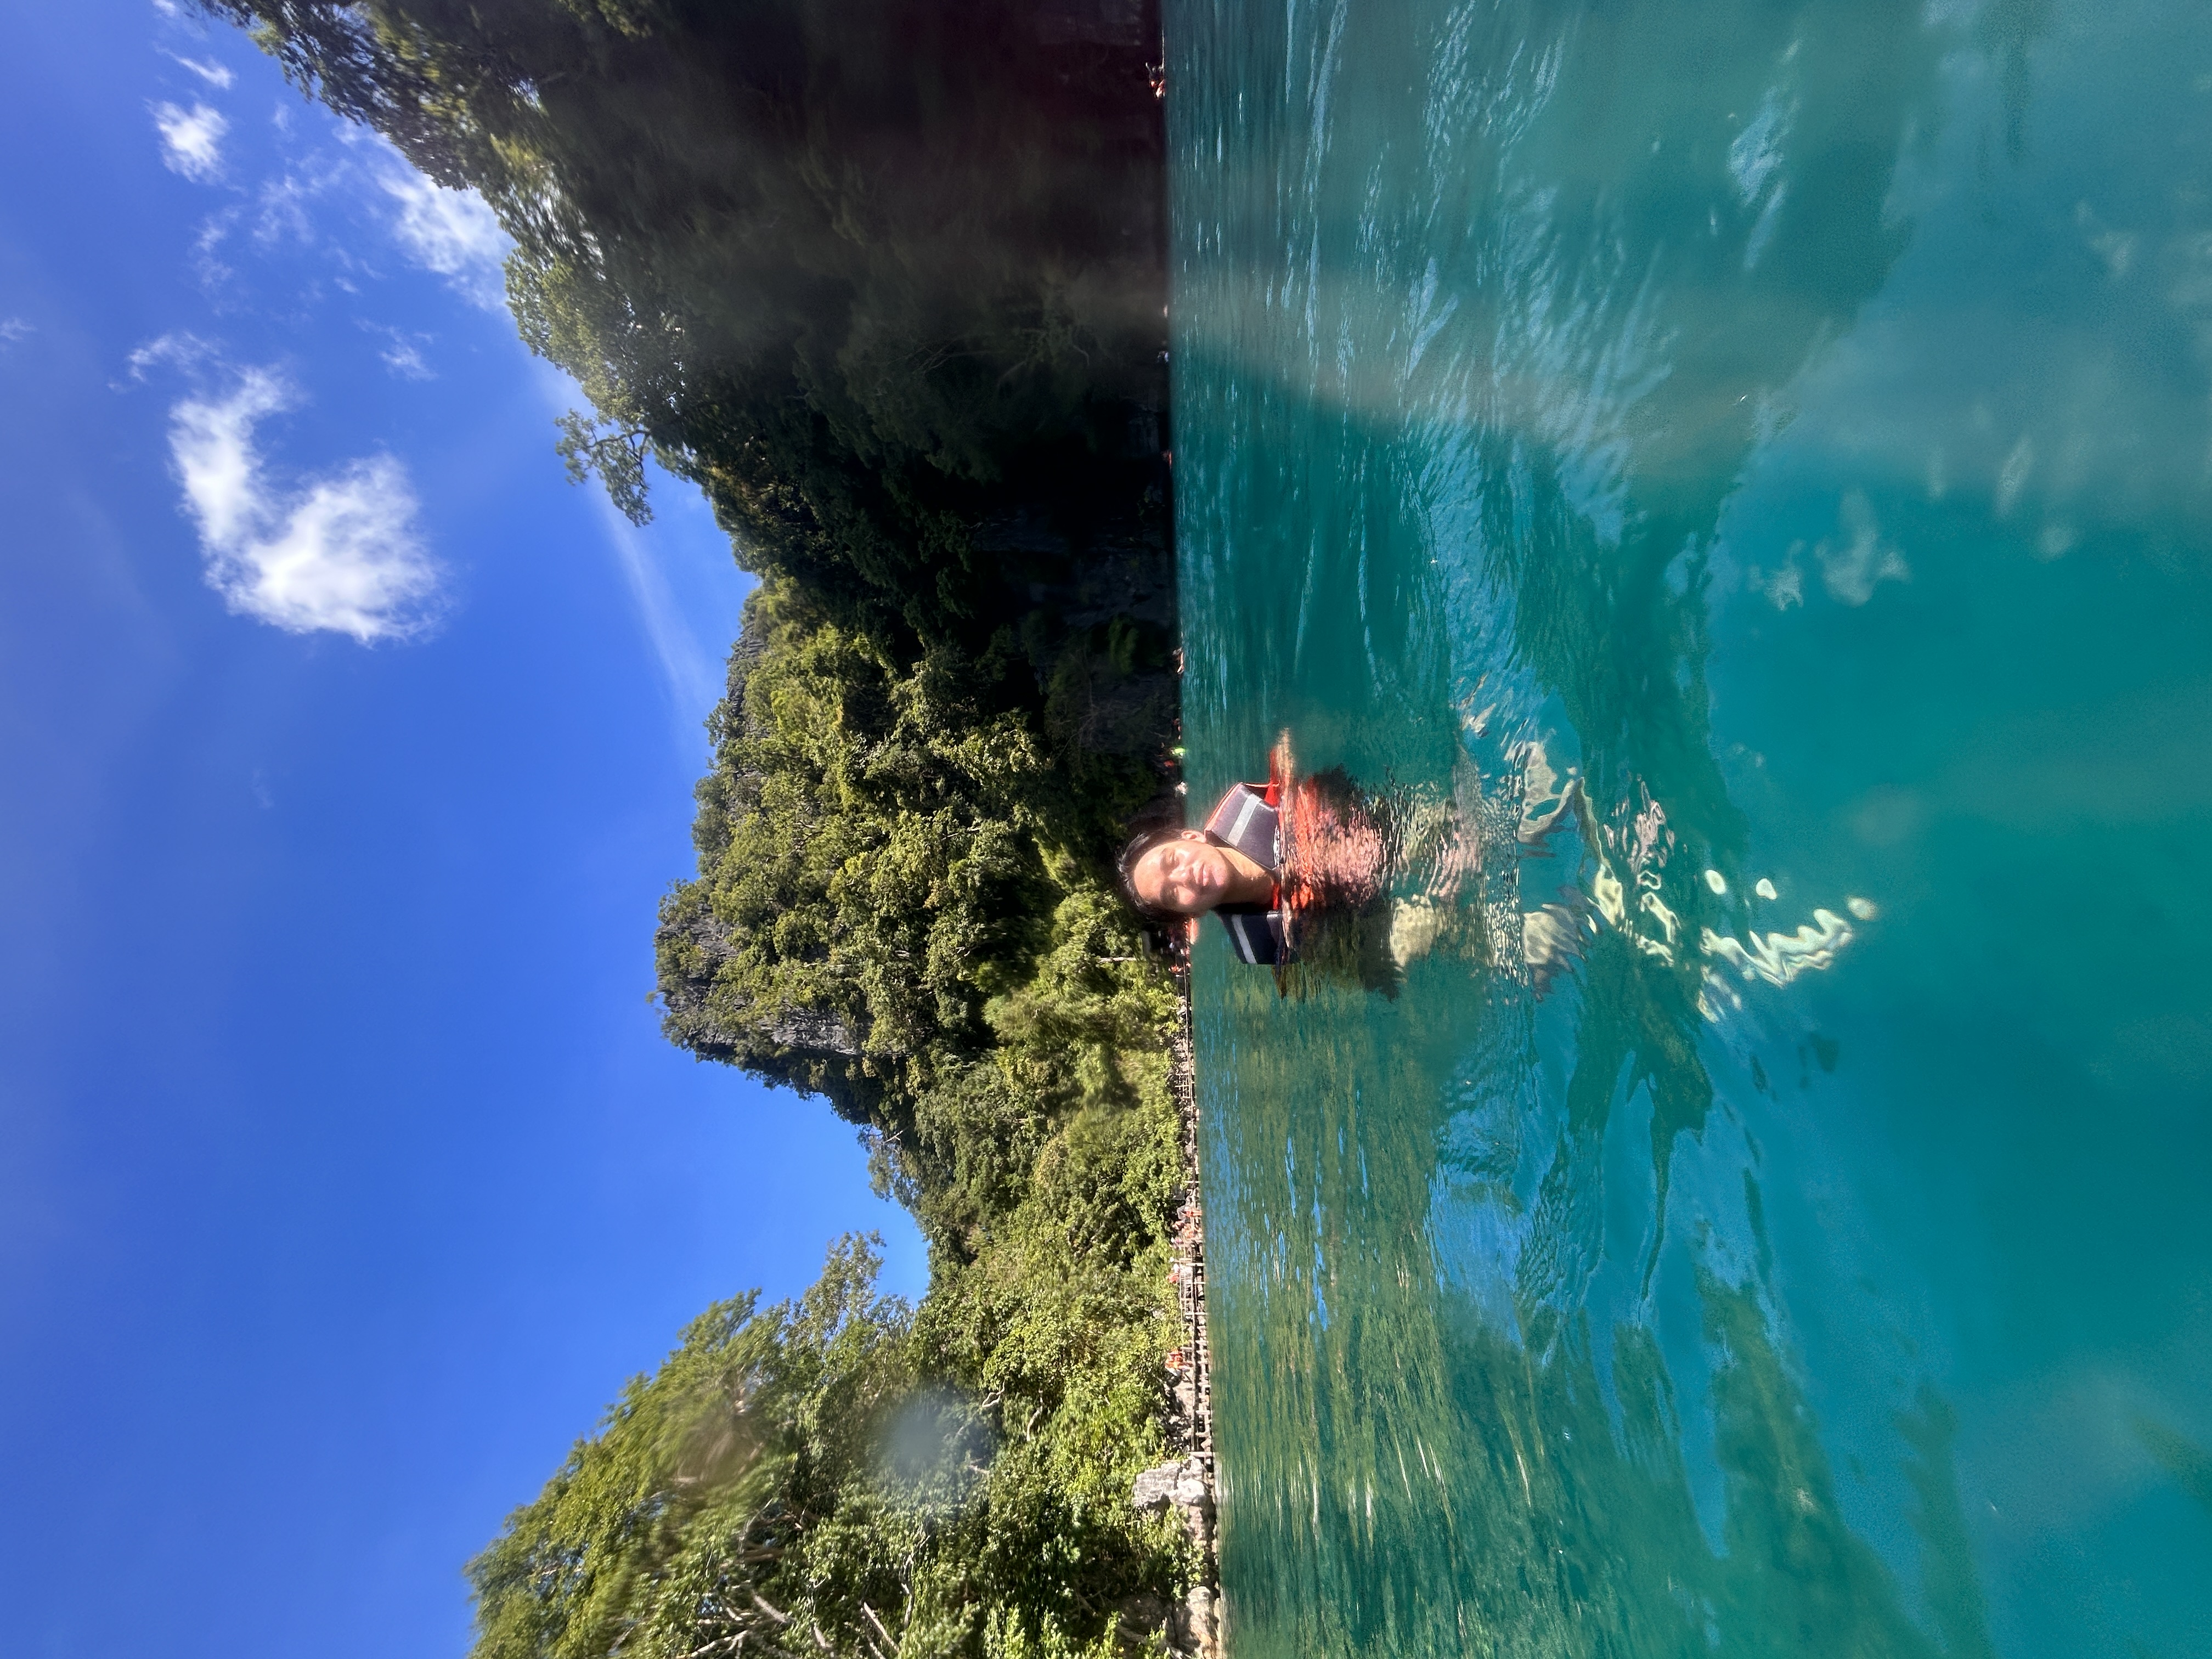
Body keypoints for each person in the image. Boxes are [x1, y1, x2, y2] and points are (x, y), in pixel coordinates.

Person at [1119, 735, 1583, 996]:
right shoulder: (1264, 941)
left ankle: (1566, 801)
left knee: (1497, 814)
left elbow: (1297, 746)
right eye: (1172, 892)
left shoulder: (1255, 808)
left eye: (1171, 861)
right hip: (1378, 907)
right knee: (1416, 940)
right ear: (1190, 916)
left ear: (1189, 837)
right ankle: (1571, 919)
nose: (1184, 876)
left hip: (1391, 828)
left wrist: (1294, 759)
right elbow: (1352, 961)